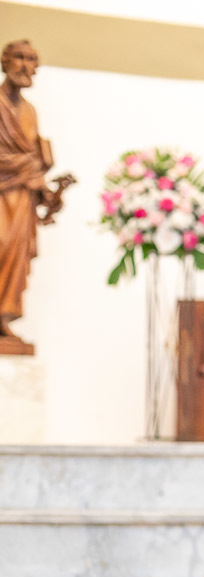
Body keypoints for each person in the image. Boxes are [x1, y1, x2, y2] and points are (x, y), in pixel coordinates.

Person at [0, 39, 73, 351]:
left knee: (15, 258)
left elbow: (33, 161)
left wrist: (50, 189)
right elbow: (20, 159)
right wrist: (29, 166)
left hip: (24, 201)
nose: (26, 66)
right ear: (5, 61)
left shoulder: (30, 111)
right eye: (19, 58)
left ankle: (2, 319)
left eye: (32, 60)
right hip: (2, 195)